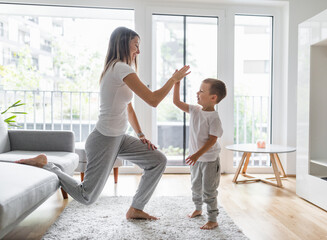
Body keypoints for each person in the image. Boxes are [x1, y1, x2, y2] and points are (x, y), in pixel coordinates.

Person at [15, 26, 191, 220]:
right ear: (124, 43)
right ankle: (47, 164)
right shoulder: (120, 68)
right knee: (86, 196)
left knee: (158, 160)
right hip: (104, 139)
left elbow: (128, 107)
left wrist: (140, 135)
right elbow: (153, 100)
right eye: (136, 45)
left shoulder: (120, 69)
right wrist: (173, 79)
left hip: (119, 138)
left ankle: (135, 209)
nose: (138, 51)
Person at [173, 78, 226, 230]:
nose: (197, 92)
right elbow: (176, 102)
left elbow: (212, 140)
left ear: (213, 97)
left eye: (202, 91)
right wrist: (177, 83)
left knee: (209, 189)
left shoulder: (214, 118)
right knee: (196, 185)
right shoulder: (195, 110)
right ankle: (198, 208)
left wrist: (197, 154)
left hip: (209, 160)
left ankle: (212, 219)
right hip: (196, 159)